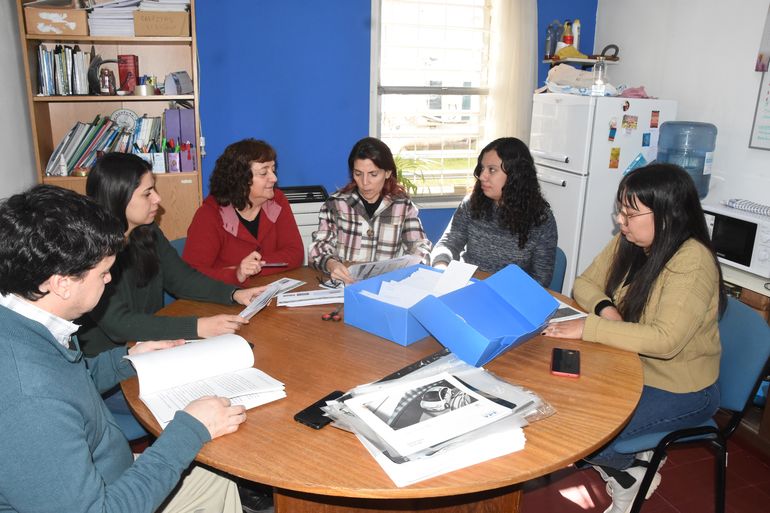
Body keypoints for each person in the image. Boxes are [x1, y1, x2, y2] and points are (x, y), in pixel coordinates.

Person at [0, 184, 246, 513]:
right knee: (211, 465)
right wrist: (189, 428)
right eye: (103, 274)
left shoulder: (34, 319)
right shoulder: (28, 400)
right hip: (105, 497)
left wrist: (126, 361)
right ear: (61, 284)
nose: (109, 281)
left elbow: (72, 381)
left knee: (219, 478)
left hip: (101, 471)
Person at [543, 163, 724, 513]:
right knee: (561, 406)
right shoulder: (631, 241)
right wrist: (608, 310)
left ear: (667, 215)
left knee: (583, 436)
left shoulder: (692, 262)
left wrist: (589, 327)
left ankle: (631, 475)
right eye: (620, 211)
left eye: (630, 213)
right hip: (630, 366)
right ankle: (635, 460)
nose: (620, 221)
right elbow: (585, 282)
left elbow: (665, 341)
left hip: (682, 389)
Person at [77, 152, 266, 358]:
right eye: (147, 193)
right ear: (118, 196)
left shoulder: (147, 231)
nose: (158, 198)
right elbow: (120, 324)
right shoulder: (90, 251)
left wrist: (234, 294)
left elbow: (182, 279)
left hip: (152, 344)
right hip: (112, 361)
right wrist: (198, 327)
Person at [430, 137, 557, 287]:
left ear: (515, 175)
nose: (482, 176)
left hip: (511, 296)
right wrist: (441, 265)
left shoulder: (541, 220)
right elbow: (448, 243)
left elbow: (540, 280)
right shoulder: (471, 204)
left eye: (492, 170)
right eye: (482, 168)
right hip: (469, 286)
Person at [308, 136, 432, 284]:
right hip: (345, 288)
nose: (365, 182)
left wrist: (416, 261)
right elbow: (318, 247)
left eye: (373, 174)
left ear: (387, 173)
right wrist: (332, 264)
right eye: (358, 174)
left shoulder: (402, 206)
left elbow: (419, 246)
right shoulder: (336, 204)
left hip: (385, 288)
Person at [183, 138, 304, 285]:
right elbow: (191, 273)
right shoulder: (210, 214)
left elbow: (295, 253)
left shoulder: (277, 201)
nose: (274, 178)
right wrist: (237, 273)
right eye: (264, 172)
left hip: (267, 291)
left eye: (273, 169)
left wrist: (255, 268)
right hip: (221, 300)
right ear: (241, 178)